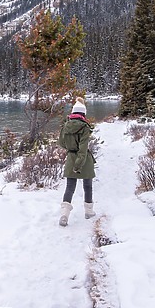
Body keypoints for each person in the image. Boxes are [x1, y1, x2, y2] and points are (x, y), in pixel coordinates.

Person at [57, 97, 96, 227]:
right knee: (88, 186)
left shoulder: (66, 125)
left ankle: (64, 215)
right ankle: (89, 212)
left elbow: (61, 143)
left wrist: (70, 148)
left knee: (69, 187)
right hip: (83, 160)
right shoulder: (85, 127)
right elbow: (83, 149)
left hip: (70, 158)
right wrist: (78, 165)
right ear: (83, 113)